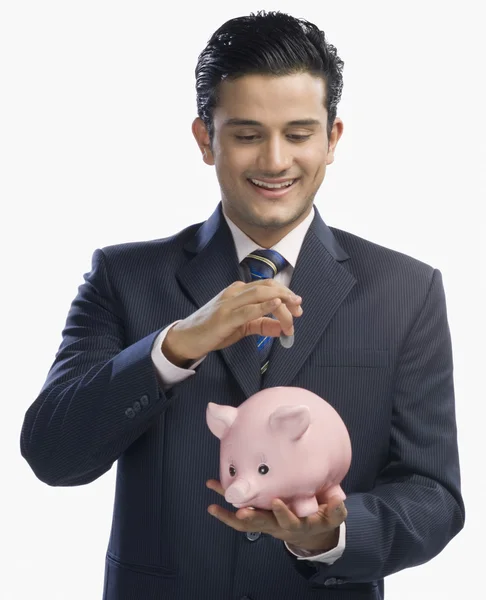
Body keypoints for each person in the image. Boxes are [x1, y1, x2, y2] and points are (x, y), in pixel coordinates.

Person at [20, 10, 465, 600]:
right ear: (207, 139)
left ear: (333, 141)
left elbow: (434, 495)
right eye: (248, 134)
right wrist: (173, 348)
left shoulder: (407, 289)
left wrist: (328, 537)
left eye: (300, 134)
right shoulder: (123, 277)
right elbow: (53, 455)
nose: (276, 161)